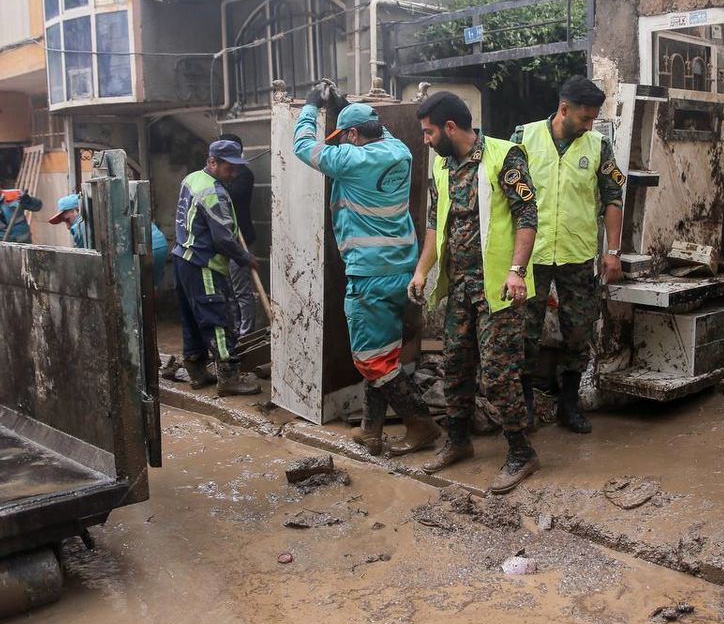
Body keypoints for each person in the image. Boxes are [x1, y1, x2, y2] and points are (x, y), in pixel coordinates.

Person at [292, 85, 440, 458]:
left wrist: (311, 106)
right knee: (386, 352)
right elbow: (379, 129)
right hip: (401, 270)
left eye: (347, 135)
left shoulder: (349, 160)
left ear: (355, 136)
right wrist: (346, 108)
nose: (345, 141)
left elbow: (301, 146)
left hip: (369, 275)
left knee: (371, 360)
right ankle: (370, 431)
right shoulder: (400, 151)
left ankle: (420, 424)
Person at [408, 91, 539, 494]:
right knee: (456, 369)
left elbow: (527, 217)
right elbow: (434, 225)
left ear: (450, 127)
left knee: (499, 376)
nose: (426, 140)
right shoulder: (443, 168)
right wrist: (421, 272)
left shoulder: (505, 156)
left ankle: (521, 453)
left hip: (499, 288)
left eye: (429, 133)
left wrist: (517, 271)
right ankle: (458, 441)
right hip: (460, 286)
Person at [510, 76, 624, 435]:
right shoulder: (523, 138)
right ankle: (526, 405)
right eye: (584, 118)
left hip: (577, 255)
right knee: (525, 332)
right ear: (564, 109)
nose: (589, 125)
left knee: (578, 333)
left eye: (593, 119)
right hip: (533, 257)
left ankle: (569, 405)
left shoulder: (599, 145)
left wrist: (613, 251)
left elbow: (612, 198)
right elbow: (504, 199)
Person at [171, 140, 261, 396]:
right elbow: (222, 239)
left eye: (236, 168)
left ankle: (197, 371)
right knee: (219, 319)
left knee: (191, 317)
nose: (234, 174)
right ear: (212, 162)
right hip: (203, 263)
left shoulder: (192, 179)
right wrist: (245, 258)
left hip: (182, 257)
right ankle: (229, 378)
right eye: (229, 168)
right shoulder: (214, 192)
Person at [48, 192, 169, 286]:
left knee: (139, 290)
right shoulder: (102, 208)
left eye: (67, 220)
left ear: (77, 210)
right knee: (149, 286)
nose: (68, 227)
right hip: (158, 243)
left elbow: (84, 259)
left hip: (146, 246)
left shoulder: (80, 225)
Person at [217, 133, 258, 337]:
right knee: (228, 290)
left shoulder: (244, 175)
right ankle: (233, 329)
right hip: (224, 241)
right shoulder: (219, 177)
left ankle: (247, 332)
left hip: (241, 239)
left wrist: (220, 181)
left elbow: (233, 197)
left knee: (241, 290)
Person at [0, 174, 42, 242]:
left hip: (25, 244)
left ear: (0, 185)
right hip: (4, 248)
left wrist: (29, 201)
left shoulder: (17, 195)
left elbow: (38, 207)